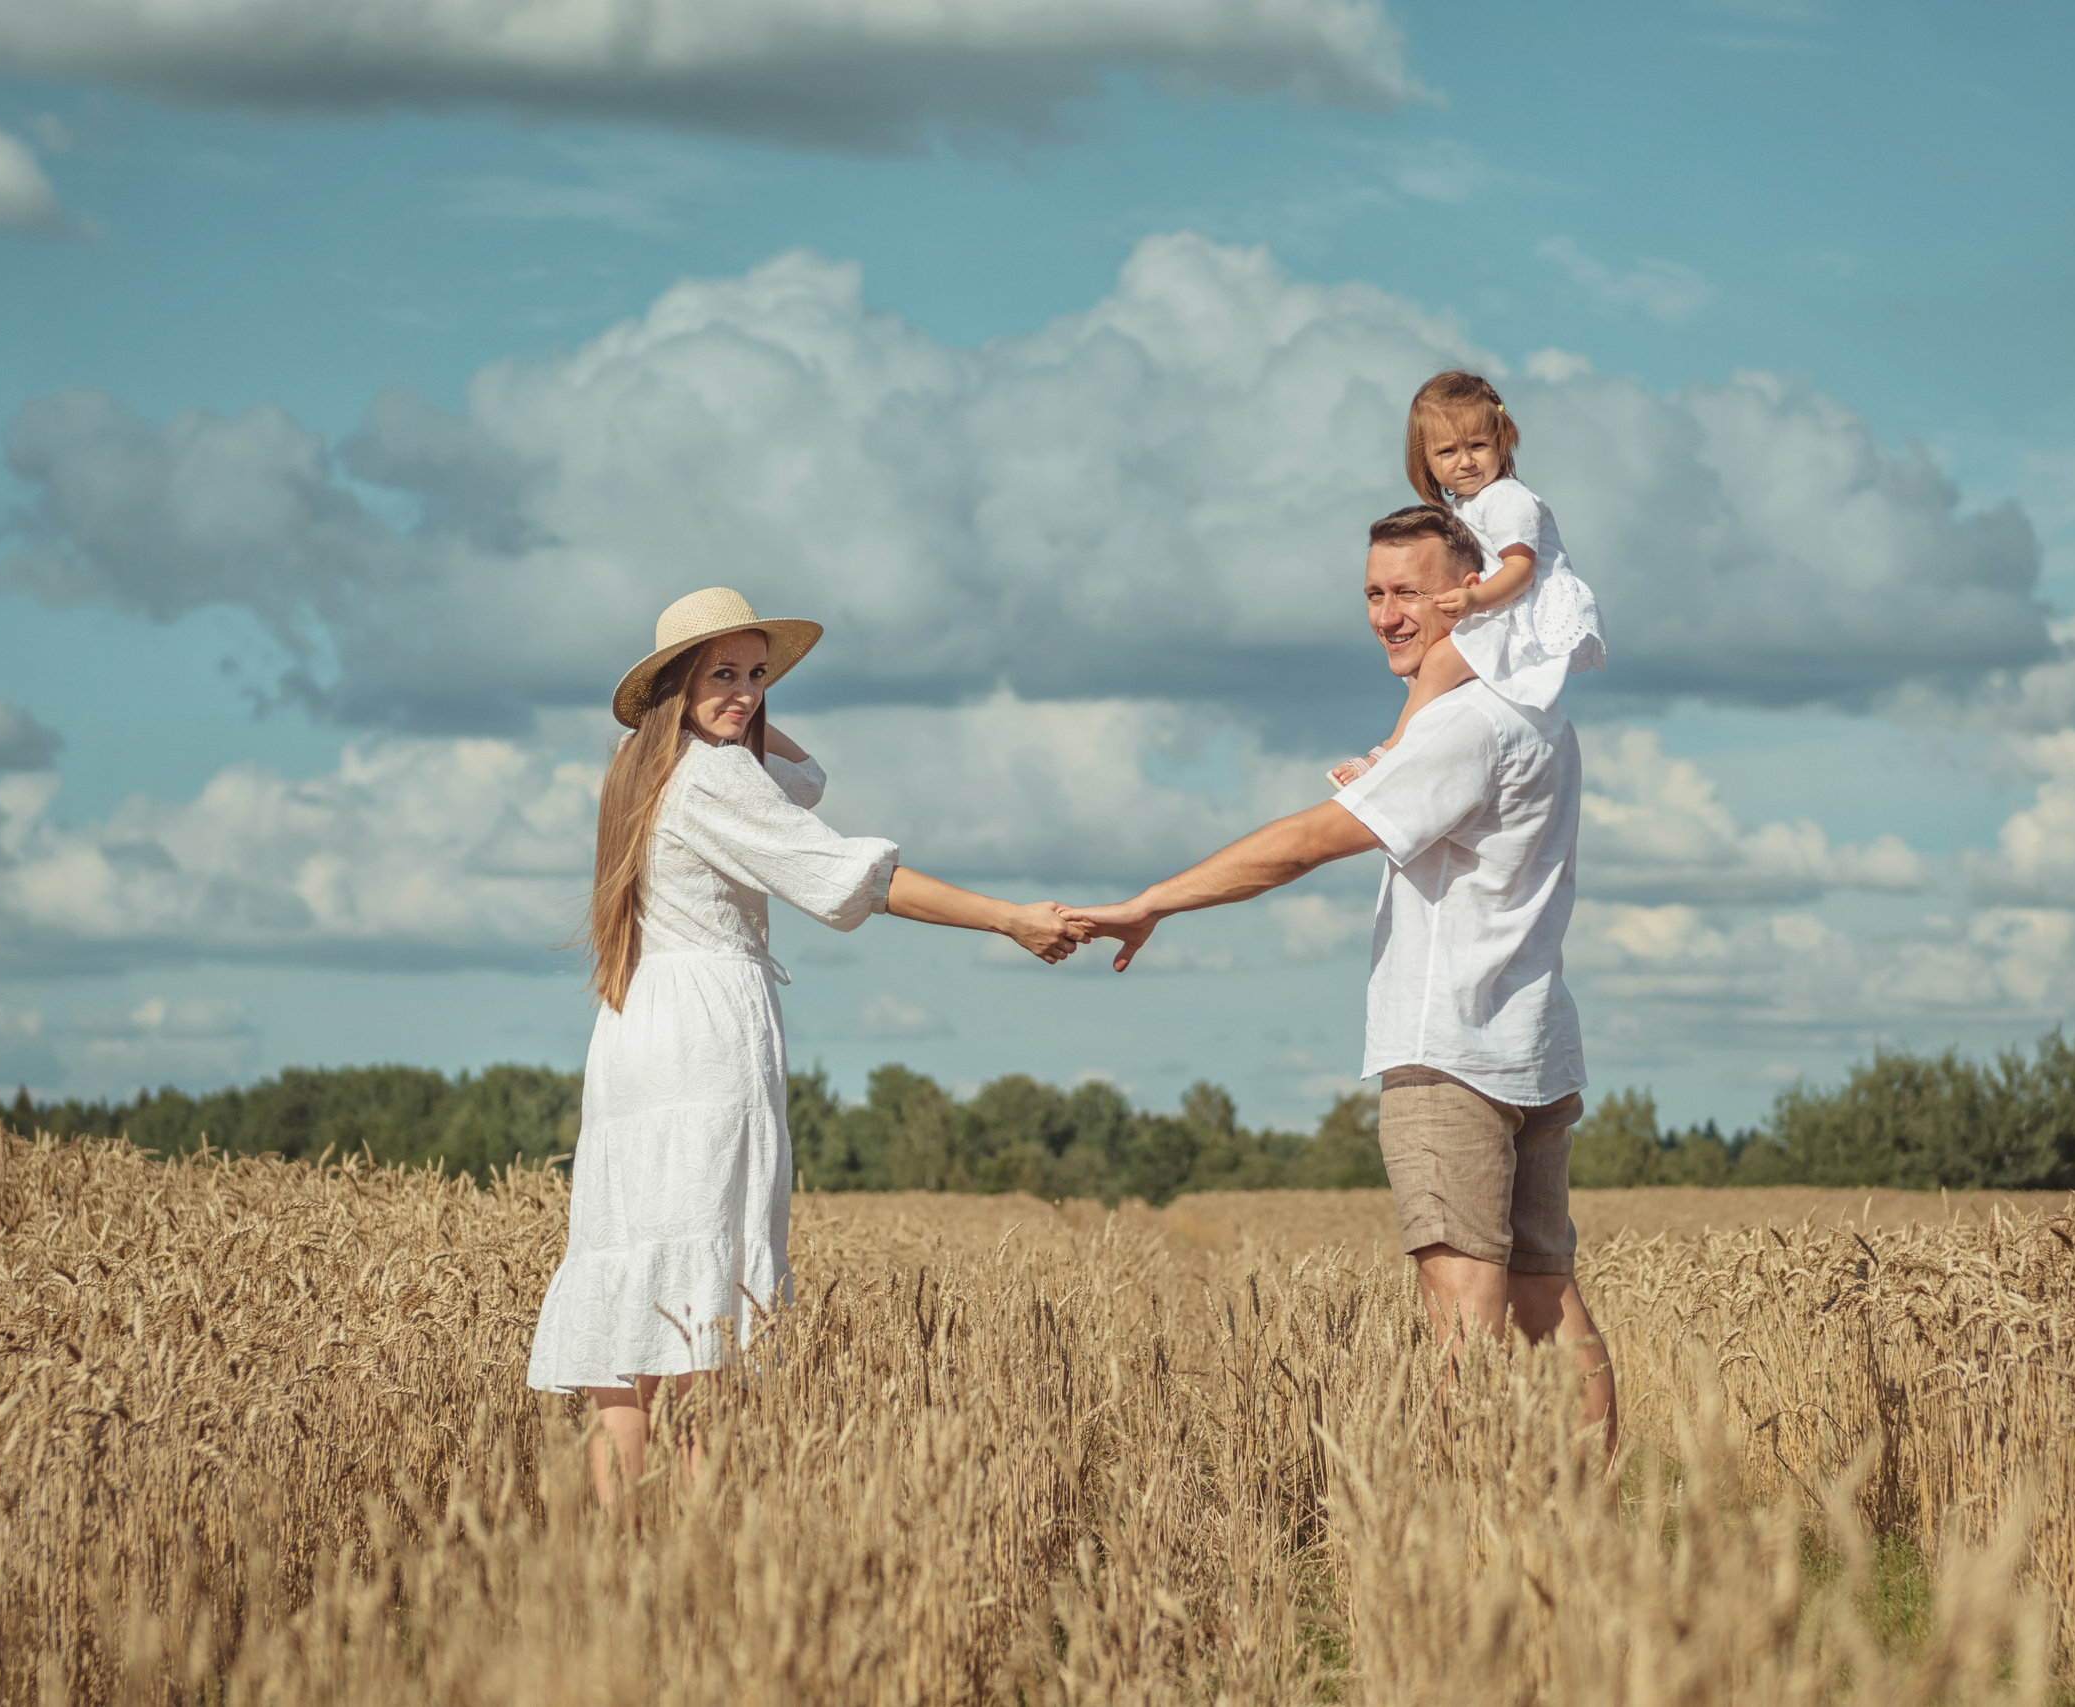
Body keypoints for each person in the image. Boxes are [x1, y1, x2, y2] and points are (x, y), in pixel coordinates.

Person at [1070, 507, 1616, 1462]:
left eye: (1411, 591)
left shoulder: (1467, 726)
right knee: (1550, 1299)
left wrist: (1154, 901)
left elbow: (1302, 845)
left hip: (1449, 1053)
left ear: (1467, 590)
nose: (1388, 614)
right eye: (1374, 592)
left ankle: (1462, 1543)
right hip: (1534, 1048)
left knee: (1463, 1322)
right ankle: (1597, 1520)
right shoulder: (1540, 715)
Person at [526, 586, 1088, 1510]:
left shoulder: (639, 771)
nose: (746, 694)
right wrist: (1009, 918)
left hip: (633, 1035)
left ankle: (608, 1574)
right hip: (708, 1035)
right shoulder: (714, 778)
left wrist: (721, 708)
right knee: (706, 1317)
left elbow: (807, 779)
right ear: (676, 680)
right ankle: (705, 1571)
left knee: (625, 1311)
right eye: (722, 674)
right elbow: (851, 876)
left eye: (758, 674)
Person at [1331, 371, 1606, 787]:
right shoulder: (1467, 506)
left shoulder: (1505, 499)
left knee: (1440, 660)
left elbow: (1521, 569)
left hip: (1518, 606)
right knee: (1427, 666)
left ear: (1502, 441)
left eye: (1478, 445)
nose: (1465, 461)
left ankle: (1390, 751)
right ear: (1426, 461)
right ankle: (1416, 739)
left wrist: (1475, 602)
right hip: (1497, 603)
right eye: (1447, 451)